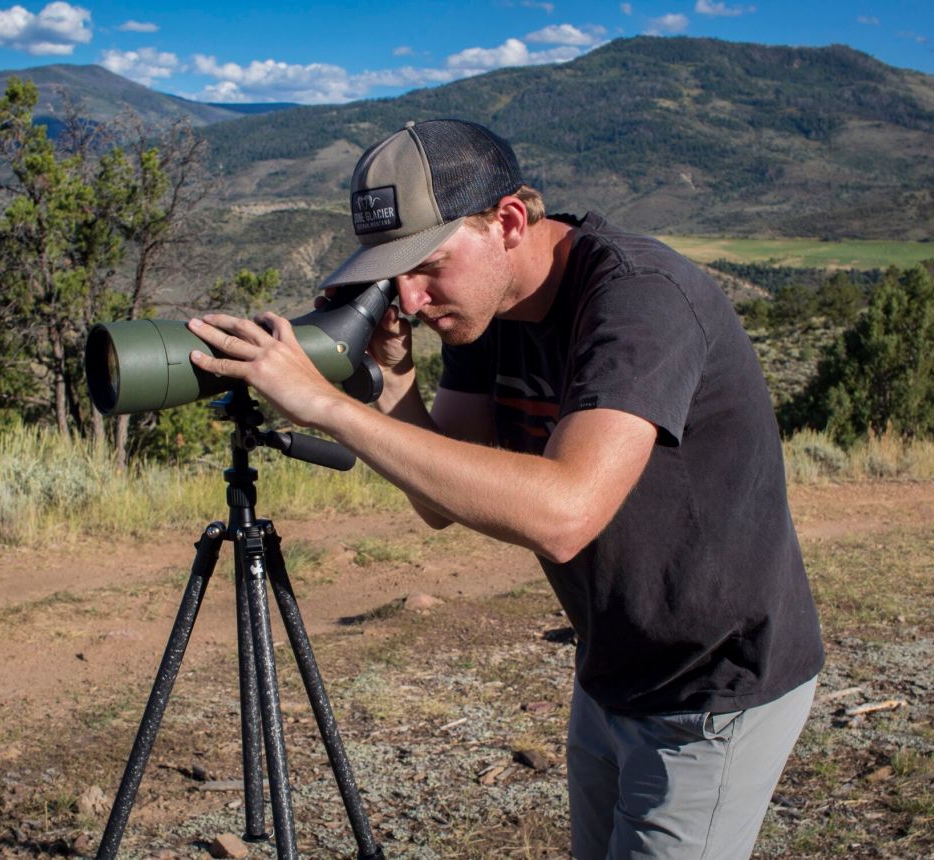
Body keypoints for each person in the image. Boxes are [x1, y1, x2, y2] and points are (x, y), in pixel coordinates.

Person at [185, 119, 824, 860]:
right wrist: (392, 376)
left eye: (427, 266)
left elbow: (564, 514)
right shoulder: (483, 312)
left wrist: (324, 405)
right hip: (612, 662)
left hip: (713, 681)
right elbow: (439, 497)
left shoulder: (640, 299)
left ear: (510, 221)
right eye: (393, 276)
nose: (411, 299)